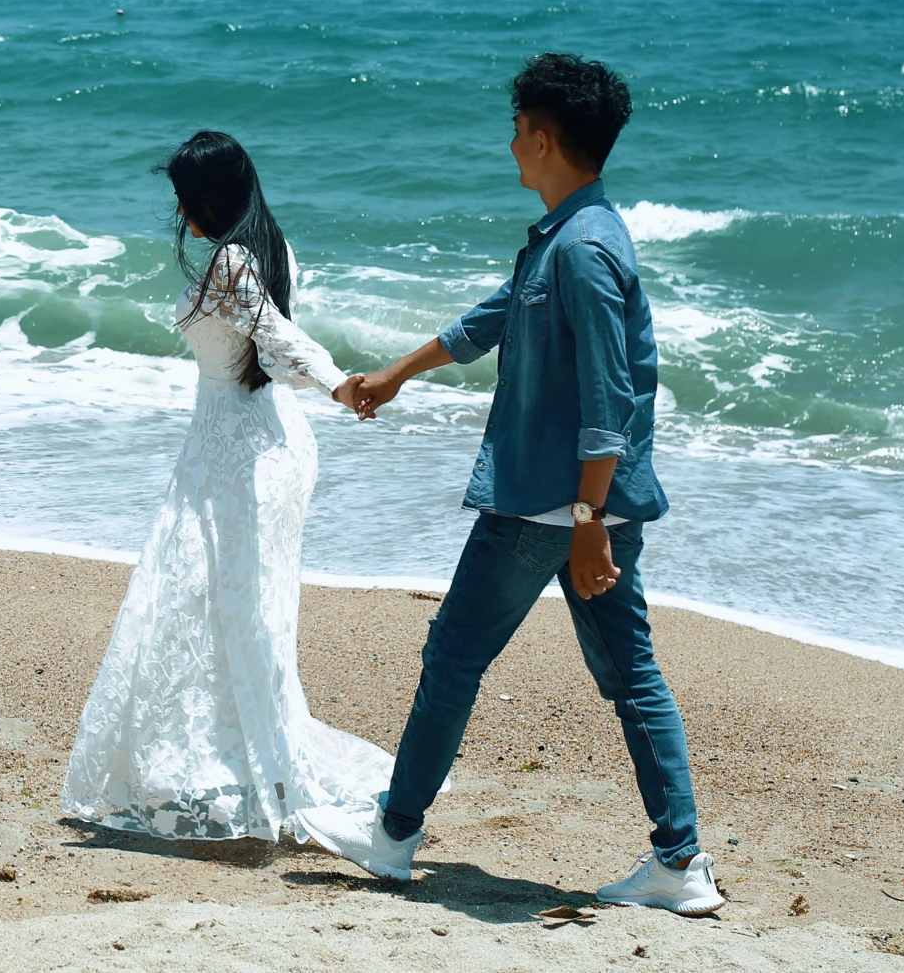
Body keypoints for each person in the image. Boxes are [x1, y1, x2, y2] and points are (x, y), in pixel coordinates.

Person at [296, 53, 725, 915]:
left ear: (544, 133)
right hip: (576, 503)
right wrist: (400, 371)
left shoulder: (585, 251)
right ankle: (680, 862)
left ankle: (393, 835)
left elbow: (608, 404)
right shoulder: (569, 235)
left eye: (517, 129)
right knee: (629, 673)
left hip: (551, 501)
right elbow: (492, 315)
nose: (510, 146)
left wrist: (588, 520)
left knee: (455, 655)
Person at [60, 130, 392, 843]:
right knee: (236, 609)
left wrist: (344, 386)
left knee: (216, 606)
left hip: (240, 454)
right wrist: (331, 386)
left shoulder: (234, 261)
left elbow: (280, 340)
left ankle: (244, 768)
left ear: (208, 198)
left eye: (184, 199)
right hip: (255, 442)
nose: (179, 214)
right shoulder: (269, 245)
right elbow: (273, 351)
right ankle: (238, 762)